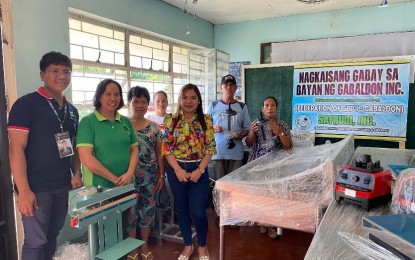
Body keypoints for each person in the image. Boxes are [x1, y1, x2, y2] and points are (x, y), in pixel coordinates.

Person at [8, 51, 83, 260]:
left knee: (52, 235)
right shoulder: (26, 105)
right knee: (35, 241)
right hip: (36, 187)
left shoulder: (71, 110)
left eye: (66, 71)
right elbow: (16, 149)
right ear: (42, 75)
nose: (62, 76)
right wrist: (23, 190)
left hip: (62, 185)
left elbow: (74, 147)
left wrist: (76, 173)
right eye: (55, 71)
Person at [162, 84, 216, 260]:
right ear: (179, 100)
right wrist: (177, 170)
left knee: (198, 211)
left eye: (193, 97)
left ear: (199, 100)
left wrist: (200, 170)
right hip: (176, 170)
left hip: (198, 170)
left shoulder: (206, 120)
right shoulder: (170, 120)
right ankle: (187, 244)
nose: (188, 101)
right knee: (182, 209)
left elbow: (210, 148)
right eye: (185, 97)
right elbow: (167, 148)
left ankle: (202, 245)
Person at [126, 86, 165, 260]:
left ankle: (145, 244)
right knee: (132, 213)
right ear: (129, 103)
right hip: (128, 178)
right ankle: (132, 247)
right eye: (136, 101)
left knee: (148, 211)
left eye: (143, 101)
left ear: (148, 104)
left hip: (150, 177)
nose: (140, 105)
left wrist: (161, 176)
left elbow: (159, 154)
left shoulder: (155, 128)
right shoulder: (123, 126)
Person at [76, 78, 138, 188]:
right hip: (97, 187)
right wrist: (115, 180)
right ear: (99, 97)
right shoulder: (88, 122)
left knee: (126, 206)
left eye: (117, 94)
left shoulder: (125, 121)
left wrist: (129, 173)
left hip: (126, 183)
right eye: (108, 94)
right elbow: (85, 157)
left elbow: (134, 149)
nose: (113, 98)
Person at [245, 96, 292, 240]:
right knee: (260, 195)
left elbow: (288, 145)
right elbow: (248, 143)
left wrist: (280, 133)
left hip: (276, 166)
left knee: (274, 196)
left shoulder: (282, 125)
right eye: (266, 105)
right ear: (262, 108)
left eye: (272, 106)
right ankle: (262, 221)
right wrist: (252, 132)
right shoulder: (256, 123)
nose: (269, 108)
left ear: (276, 108)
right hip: (258, 165)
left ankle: (272, 225)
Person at [208, 74, 251, 226]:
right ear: (221, 88)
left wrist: (240, 135)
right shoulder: (213, 106)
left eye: (231, 85)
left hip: (236, 153)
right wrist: (214, 128)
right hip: (218, 152)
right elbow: (206, 127)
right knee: (220, 186)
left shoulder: (242, 106)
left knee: (234, 186)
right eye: (225, 85)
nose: (228, 87)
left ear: (235, 88)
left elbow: (247, 128)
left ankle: (233, 215)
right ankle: (222, 214)